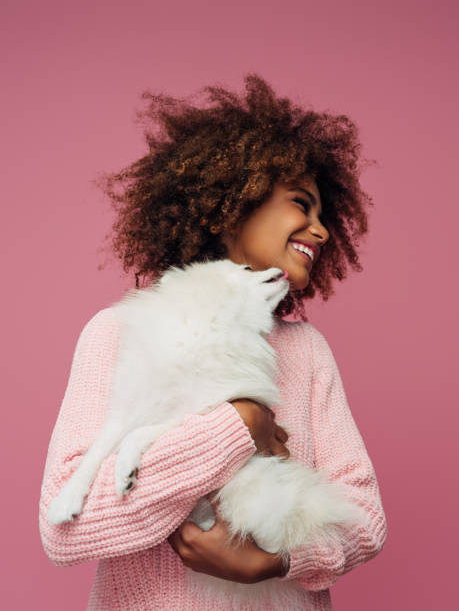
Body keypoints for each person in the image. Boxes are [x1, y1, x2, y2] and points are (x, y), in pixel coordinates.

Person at [39, 73, 387, 610]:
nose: (319, 230)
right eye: (301, 204)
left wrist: (275, 562)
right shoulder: (120, 331)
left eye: (323, 216)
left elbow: (364, 518)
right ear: (233, 207)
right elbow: (65, 532)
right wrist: (239, 426)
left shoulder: (307, 351)